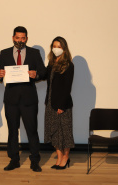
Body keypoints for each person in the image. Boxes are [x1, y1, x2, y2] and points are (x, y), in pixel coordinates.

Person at [0, 26, 46, 172]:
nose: (20, 41)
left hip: (29, 100)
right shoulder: (4, 53)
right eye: (17, 38)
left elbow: (43, 72)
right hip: (11, 100)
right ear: (13, 38)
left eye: (23, 38)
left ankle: (35, 161)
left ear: (27, 39)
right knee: (12, 131)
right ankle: (14, 160)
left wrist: (37, 74)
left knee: (32, 131)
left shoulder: (34, 53)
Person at [44, 36, 75, 170]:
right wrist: (32, 73)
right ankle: (59, 157)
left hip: (63, 105)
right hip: (50, 102)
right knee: (54, 131)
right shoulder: (51, 63)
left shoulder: (68, 65)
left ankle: (65, 158)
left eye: (59, 47)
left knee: (65, 132)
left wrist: (61, 106)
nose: (56, 49)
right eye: (54, 46)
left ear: (64, 49)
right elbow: (44, 76)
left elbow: (67, 87)